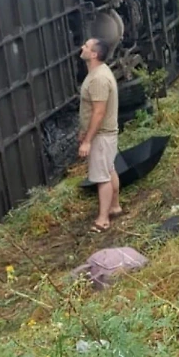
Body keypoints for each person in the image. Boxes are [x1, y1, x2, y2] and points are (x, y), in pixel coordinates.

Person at [78, 38, 121, 232]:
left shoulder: (98, 79)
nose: (82, 48)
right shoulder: (99, 73)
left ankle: (103, 219)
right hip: (103, 134)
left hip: (101, 136)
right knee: (109, 169)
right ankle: (114, 206)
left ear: (94, 54)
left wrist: (87, 141)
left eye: (86, 47)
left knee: (101, 177)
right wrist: (84, 131)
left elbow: (98, 112)